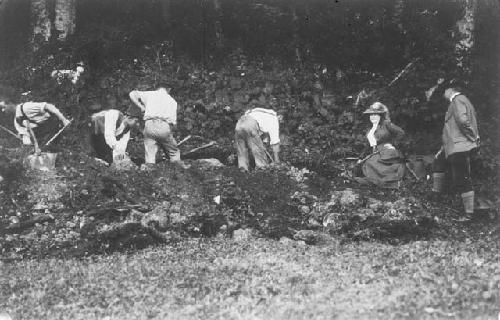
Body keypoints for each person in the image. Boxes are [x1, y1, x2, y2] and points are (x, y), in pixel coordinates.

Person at [432, 85, 479, 219]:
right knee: (438, 162)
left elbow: (463, 121)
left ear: (450, 89)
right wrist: (442, 149)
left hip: (459, 147)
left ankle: (469, 214)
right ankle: (435, 197)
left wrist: (472, 137)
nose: (443, 94)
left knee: (462, 177)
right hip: (452, 146)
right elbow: (452, 130)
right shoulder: (459, 101)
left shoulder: (458, 100)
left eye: (444, 91)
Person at [129, 86, 189, 168]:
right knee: (173, 151)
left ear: (158, 88)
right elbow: (173, 122)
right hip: (163, 124)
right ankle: (178, 166)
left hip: (149, 124)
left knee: (150, 151)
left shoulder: (150, 94)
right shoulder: (172, 101)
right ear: (168, 89)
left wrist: (141, 107)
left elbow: (132, 94)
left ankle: (149, 168)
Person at [354, 102, 406, 189]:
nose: (373, 117)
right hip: (376, 152)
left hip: (387, 152)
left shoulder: (386, 124)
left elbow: (401, 133)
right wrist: (360, 157)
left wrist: (392, 144)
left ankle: (390, 183)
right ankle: (374, 181)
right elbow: (368, 146)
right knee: (361, 165)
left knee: (370, 163)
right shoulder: (371, 129)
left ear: (381, 116)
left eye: (375, 114)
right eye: (371, 115)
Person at [0, 100, 70, 145]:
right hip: (42, 136)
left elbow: (48, 106)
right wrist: (28, 143)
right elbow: (25, 135)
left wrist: (64, 119)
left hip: (52, 124)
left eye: (4, 107)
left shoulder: (26, 107)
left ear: (10, 104)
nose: (3, 110)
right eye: (1, 109)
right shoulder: (17, 121)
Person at [235, 106, 281, 171]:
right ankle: (263, 171)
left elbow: (260, 135)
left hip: (239, 123)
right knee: (259, 152)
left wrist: (262, 143)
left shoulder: (261, 114)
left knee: (241, 150)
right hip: (250, 124)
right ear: (280, 116)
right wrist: (277, 161)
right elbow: (275, 142)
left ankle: (243, 170)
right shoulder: (274, 119)